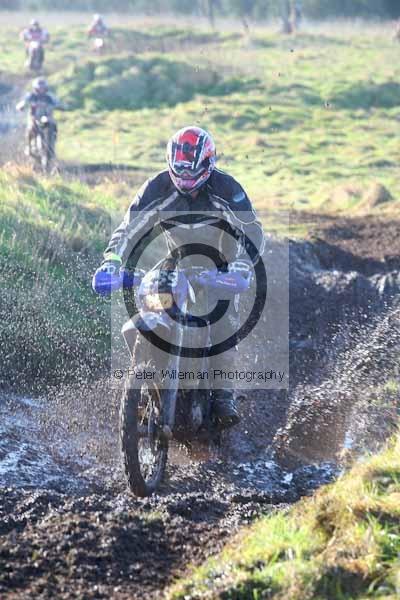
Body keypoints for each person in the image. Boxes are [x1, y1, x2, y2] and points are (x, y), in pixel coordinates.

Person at [93, 126, 265, 428]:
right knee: (151, 300)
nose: (185, 178)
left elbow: (252, 230)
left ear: (208, 164)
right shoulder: (156, 188)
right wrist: (111, 261)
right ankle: (144, 378)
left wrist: (242, 265)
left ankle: (223, 394)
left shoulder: (227, 189)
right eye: (179, 171)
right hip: (176, 263)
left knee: (223, 322)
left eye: (191, 172)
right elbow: (128, 228)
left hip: (220, 269)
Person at [16, 78, 63, 156]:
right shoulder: (31, 96)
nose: (41, 90)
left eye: (43, 88)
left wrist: (60, 106)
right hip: (34, 117)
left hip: (47, 117)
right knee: (30, 128)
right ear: (35, 88)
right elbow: (23, 103)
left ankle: (51, 145)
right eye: (39, 88)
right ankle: (28, 146)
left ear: (46, 88)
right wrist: (21, 106)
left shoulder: (49, 97)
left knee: (53, 125)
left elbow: (58, 103)